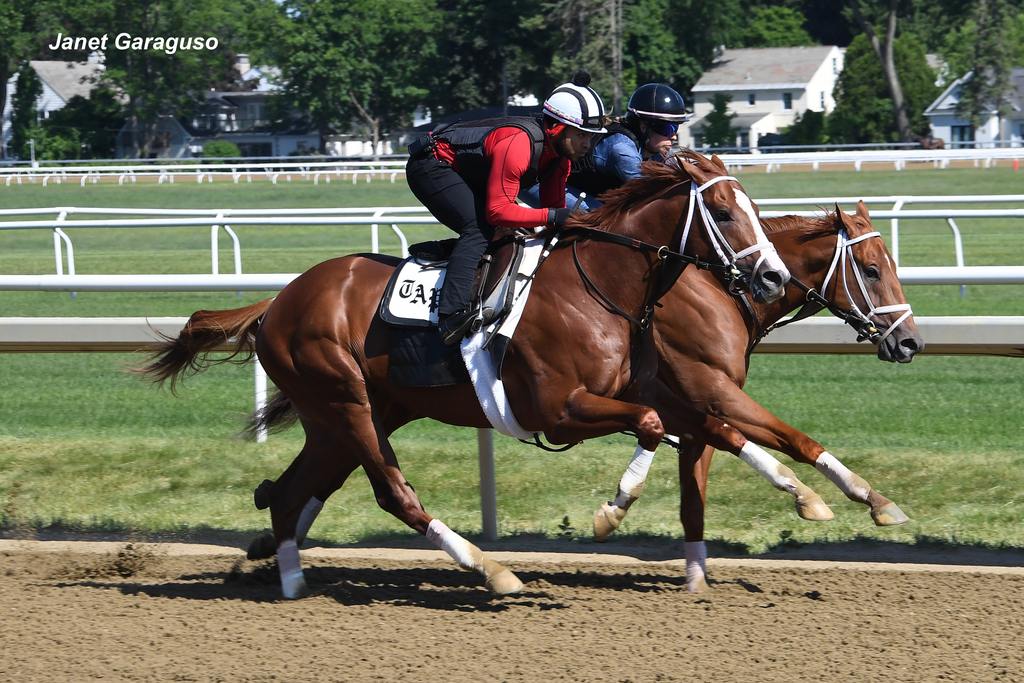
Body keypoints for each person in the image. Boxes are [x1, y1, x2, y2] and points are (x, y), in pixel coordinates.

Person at [406, 72, 608, 345]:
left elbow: (552, 218)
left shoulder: (561, 159)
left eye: (592, 137)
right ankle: (450, 316)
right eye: (582, 135)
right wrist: (554, 216)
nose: (588, 144)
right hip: (431, 165)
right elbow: (498, 211)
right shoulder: (518, 144)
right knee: (478, 228)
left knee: (518, 228)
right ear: (557, 129)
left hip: (467, 172)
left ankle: (443, 251)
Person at [521, 82, 690, 211]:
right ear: (644, 127)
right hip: (536, 181)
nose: (674, 136)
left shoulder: (656, 148)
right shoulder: (621, 150)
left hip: (577, 187)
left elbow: (680, 174)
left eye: (676, 128)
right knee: (599, 219)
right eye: (668, 128)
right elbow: (656, 193)